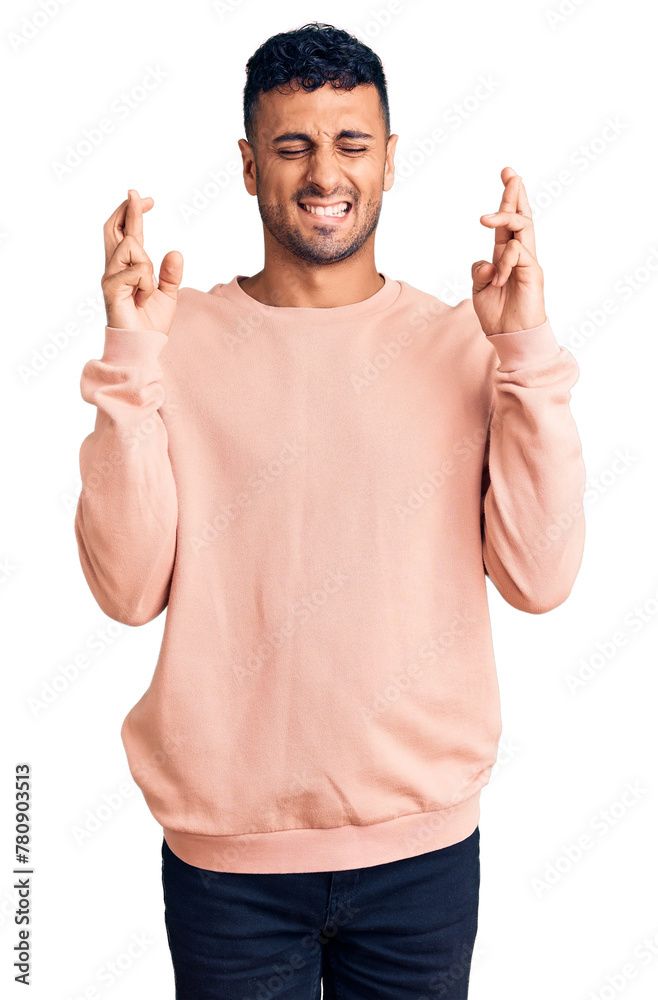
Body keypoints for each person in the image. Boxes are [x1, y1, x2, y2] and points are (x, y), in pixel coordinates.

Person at [74, 20, 586, 1000]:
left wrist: (524, 352)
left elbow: (540, 578)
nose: (323, 172)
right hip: (227, 863)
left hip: (421, 858)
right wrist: (129, 360)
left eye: (351, 142)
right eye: (293, 144)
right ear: (247, 164)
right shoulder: (170, 344)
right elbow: (128, 590)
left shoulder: (463, 344)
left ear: (389, 161)